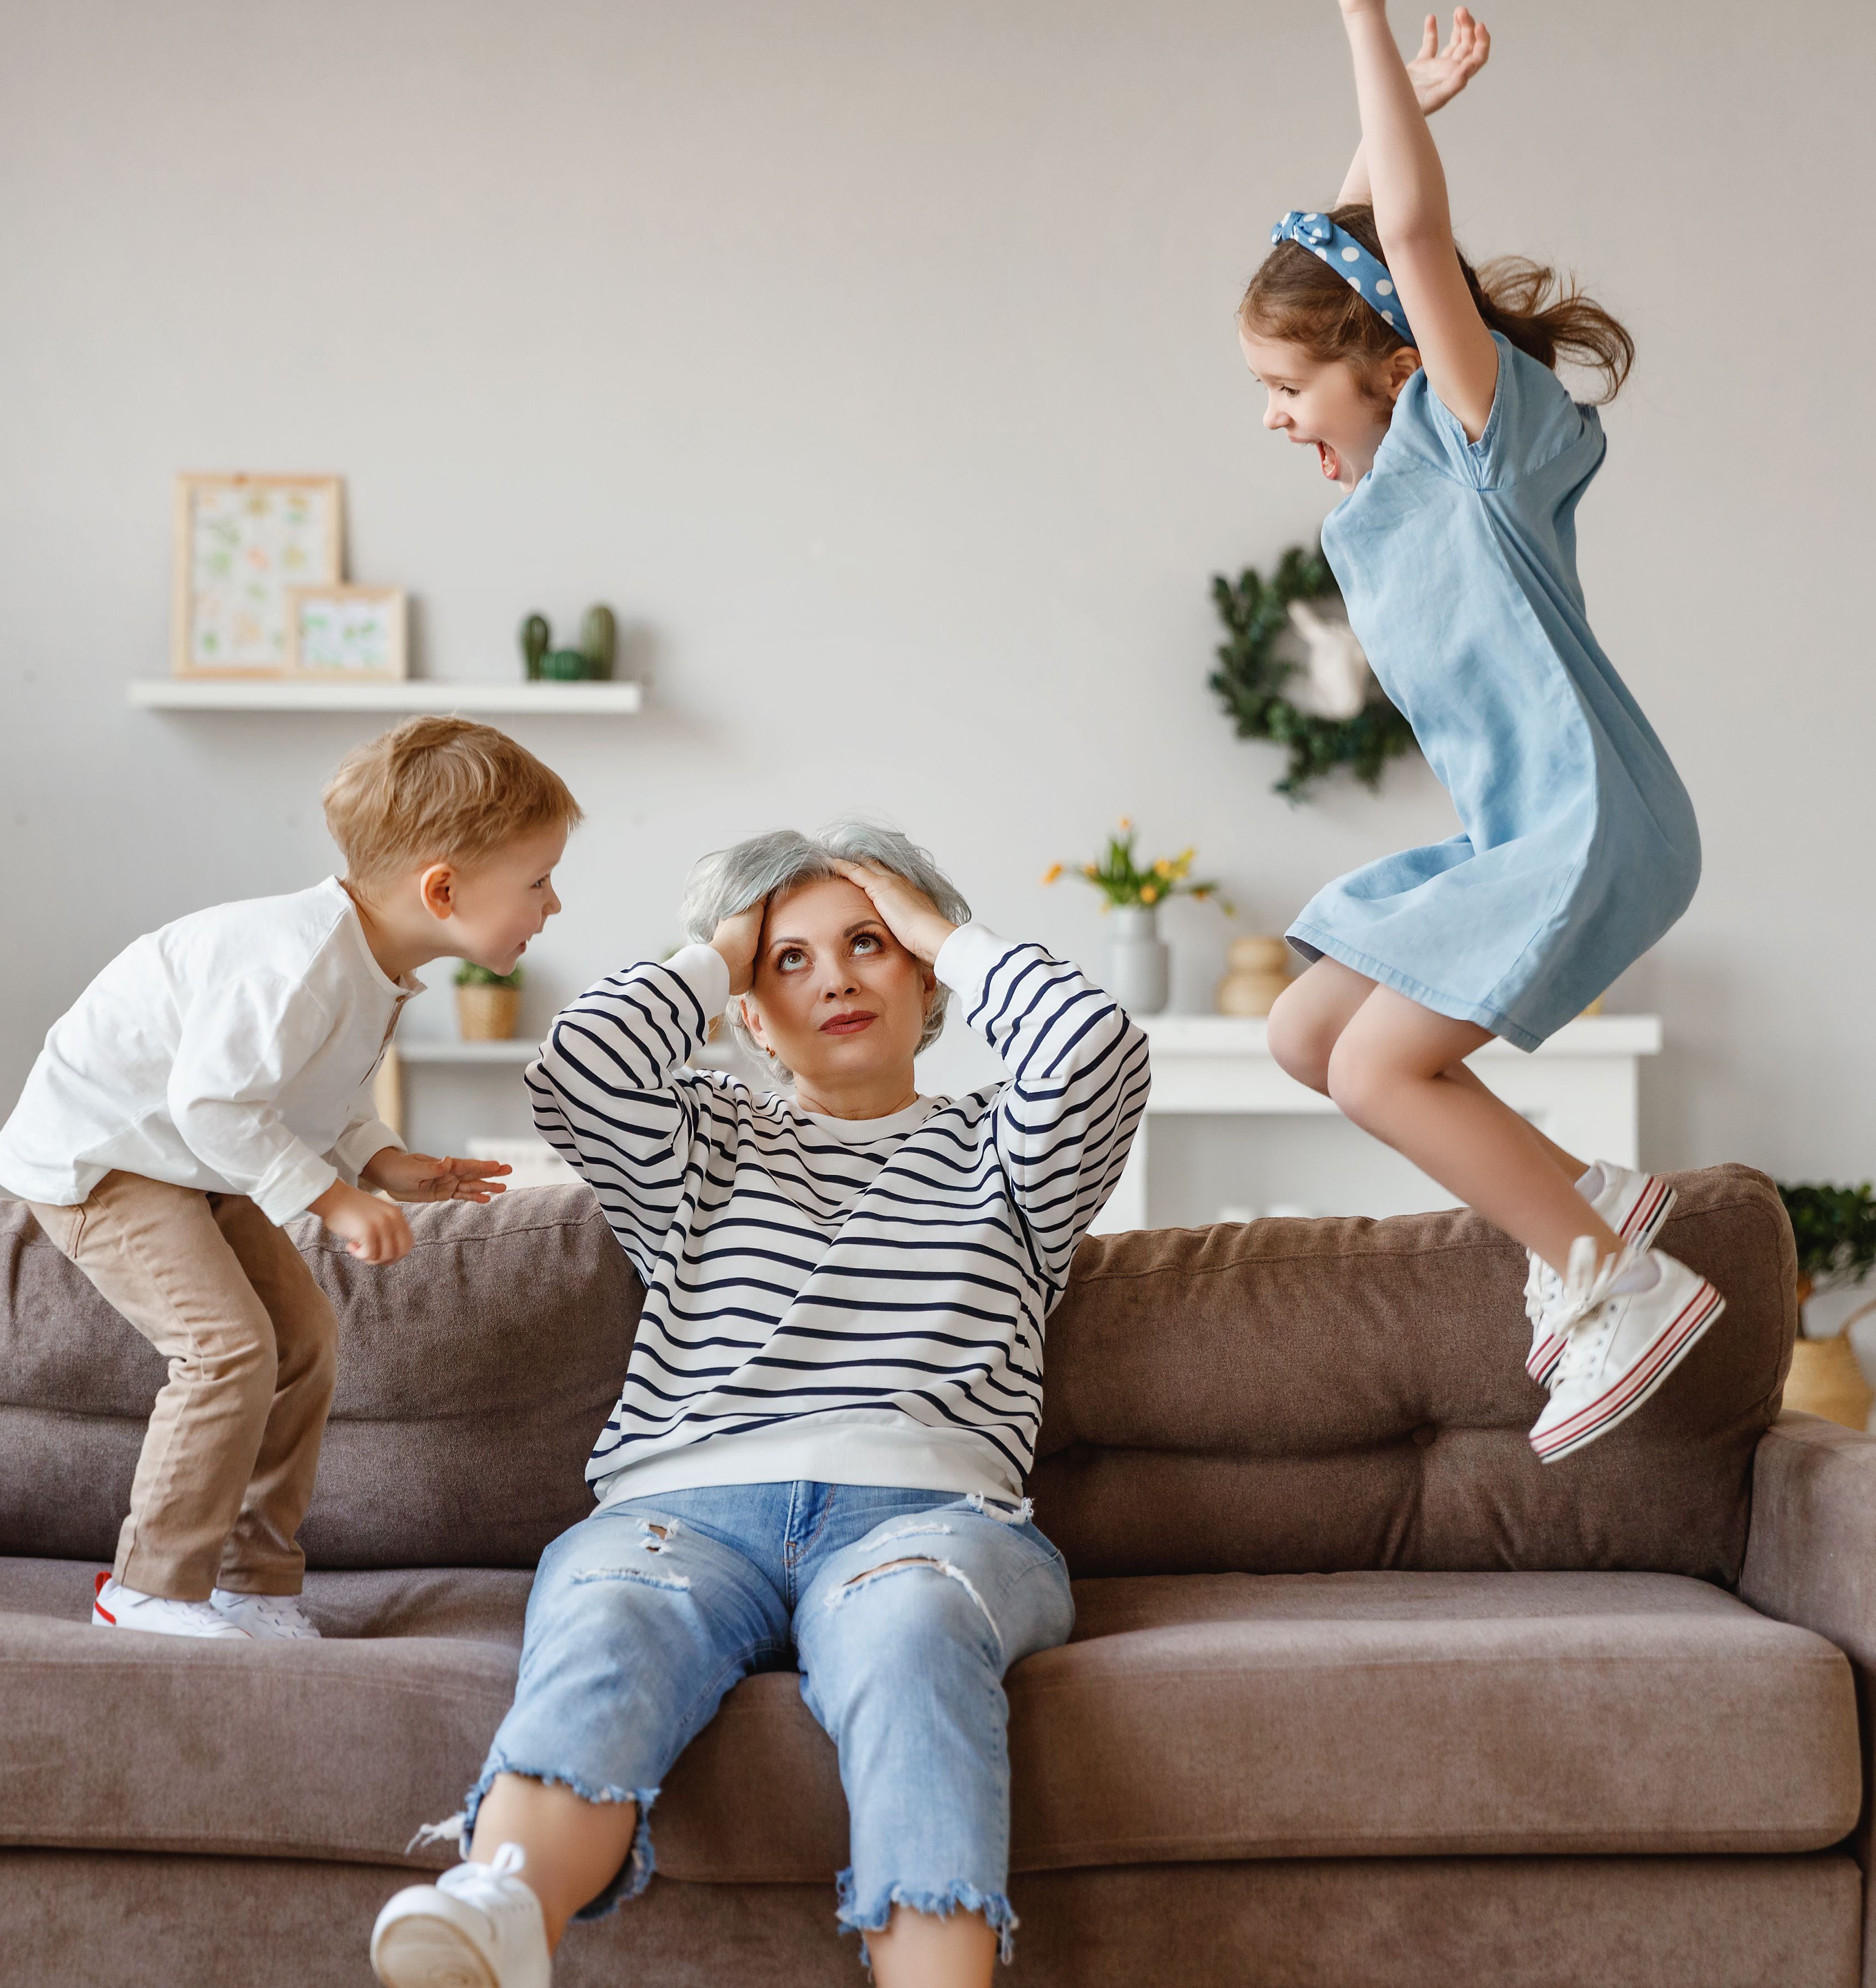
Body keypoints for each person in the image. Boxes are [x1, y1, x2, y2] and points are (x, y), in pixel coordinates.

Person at [366, 822, 1150, 1988]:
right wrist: (716, 949)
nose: (832, 976)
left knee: (909, 1630)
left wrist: (942, 928)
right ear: (743, 999)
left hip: (927, 1517)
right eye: (788, 959)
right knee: (610, 1612)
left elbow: (1095, 1050)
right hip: (679, 1512)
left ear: (926, 975)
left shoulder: (1010, 1151)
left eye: (868, 945)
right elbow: (577, 1068)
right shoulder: (697, 1147)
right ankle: (502, 1909)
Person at [1238, 4, 1711, 1463]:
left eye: (1282, 389)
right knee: (1308, 1031)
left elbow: (1411, 256)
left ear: (1384, 366)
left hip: (1587, 818)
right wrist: (1399, 128)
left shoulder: (1477, 450)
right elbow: (1359, 262)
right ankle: (1584, 1202)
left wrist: (1363, 27)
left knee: (1385, 1068)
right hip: (1513, 832)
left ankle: (1613, 1281)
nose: (1269, 420)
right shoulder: (1381, 496)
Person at [0, 716, 579, 1638]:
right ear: (444, 888)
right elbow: (213, 1106)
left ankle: (250, 1581)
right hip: (105, 1156)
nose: (553, 905)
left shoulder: (367, 963)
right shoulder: (298, 963)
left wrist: (384, 1162)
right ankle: (147, 1588)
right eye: (537, 881)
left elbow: (308, 1089)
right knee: (227, 1346)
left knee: (303, 1336)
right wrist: (338, 1200)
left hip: (188, 1157)